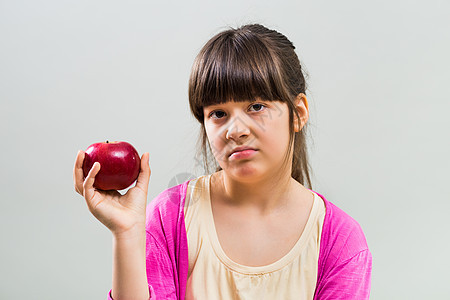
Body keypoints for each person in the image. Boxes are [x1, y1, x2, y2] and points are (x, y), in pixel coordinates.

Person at [73, 24, 372, 300]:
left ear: (299, 112)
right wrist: (126, 234)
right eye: (218, 113)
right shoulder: (171, 218)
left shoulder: (340, 242)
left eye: (256, 106)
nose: (236, 130)